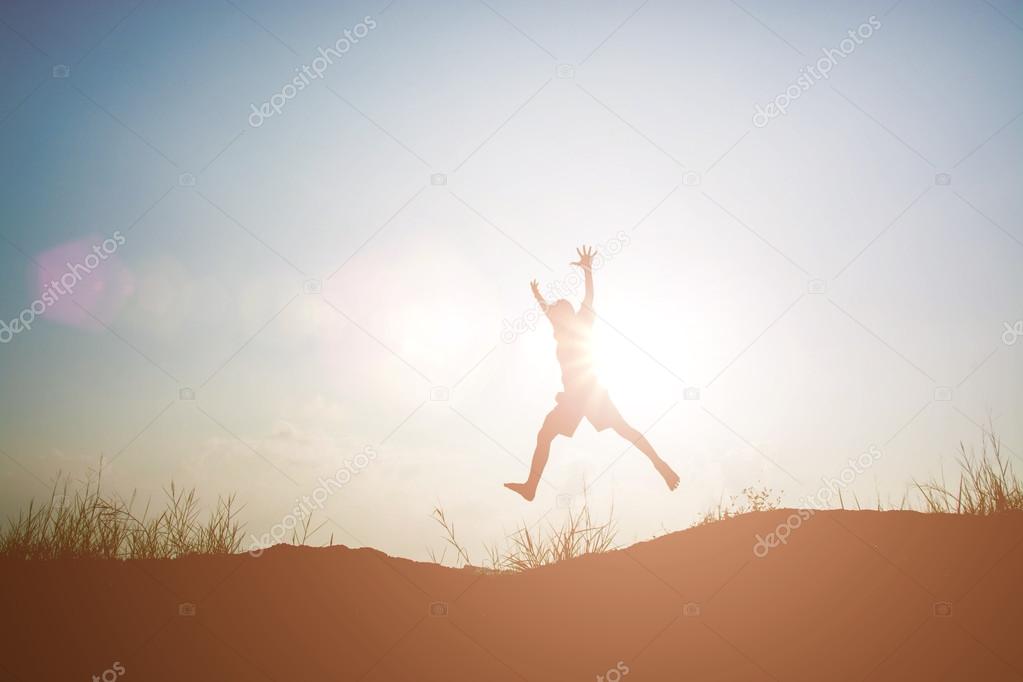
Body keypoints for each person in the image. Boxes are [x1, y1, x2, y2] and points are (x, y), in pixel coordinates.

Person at [504, 246, 680, 501]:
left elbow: (589, 298)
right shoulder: (561, 330)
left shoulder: (581, 321)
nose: (553, 313)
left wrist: (587, 270)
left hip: (588, 393)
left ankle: (659, 463)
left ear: (566, 312)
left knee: (623, 429)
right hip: (574, 398)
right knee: (546, 434)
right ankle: (531, 487)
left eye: (557, 309)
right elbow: (548, 313)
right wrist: (538, 296)